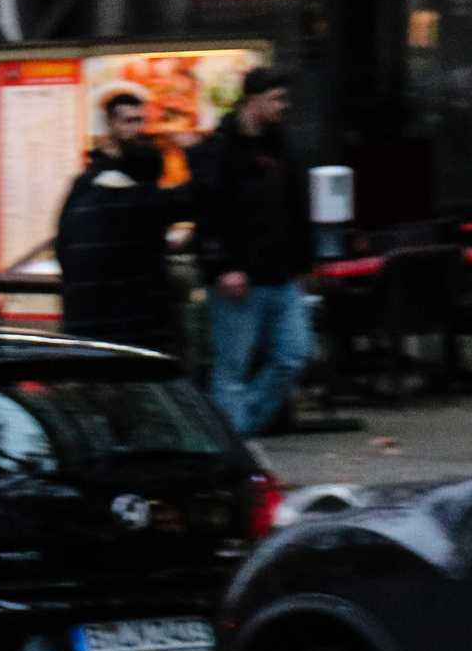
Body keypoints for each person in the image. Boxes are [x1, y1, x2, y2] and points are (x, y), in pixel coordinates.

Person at [190, 65, 315, 436]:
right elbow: (210, 212)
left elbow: (294, 206)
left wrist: (302, 262)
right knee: (234, 364)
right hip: (241, 275)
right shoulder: (221, 151)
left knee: (293, 356)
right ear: (252, 100)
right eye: (276, 98)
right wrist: (223, 265)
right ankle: (237, 432)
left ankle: (237, 427)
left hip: (278, 272)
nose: (284, 105)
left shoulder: (279, 146)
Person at [55, 91, 187, 352]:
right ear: (110, 124)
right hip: (129, 316)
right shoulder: (91, 183)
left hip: (99, 314)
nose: (138, 128)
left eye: (140, 120)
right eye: (129, 121)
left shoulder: (92, 183)